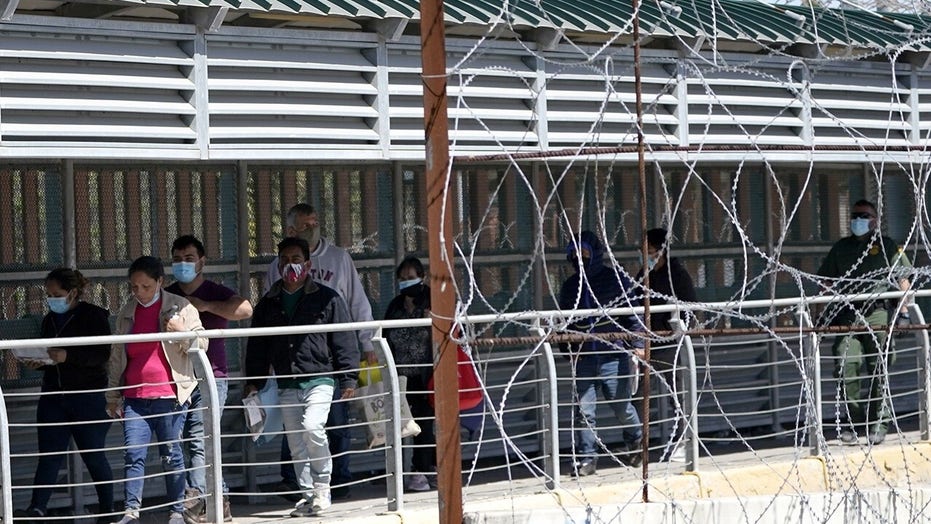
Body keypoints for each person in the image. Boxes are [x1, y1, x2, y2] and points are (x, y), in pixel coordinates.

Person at [264, 203, 375, 500]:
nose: (313, 227)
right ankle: (296, 483)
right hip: (292, 358)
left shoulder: (339, 258)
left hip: (331, 355)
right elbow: (267, 311)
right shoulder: (277, 266)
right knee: (295, 424)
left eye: (315, 222)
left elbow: (357, 302)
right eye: (305, 224)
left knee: (333, 420)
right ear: (291, 230)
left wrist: (368, 344)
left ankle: (337, 479)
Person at [244, 236, 361, 517]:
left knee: (312, 428)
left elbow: (344, 339)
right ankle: (307, 496)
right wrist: (254, 381)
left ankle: (323, 489)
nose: (289, 265)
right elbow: (257, 346)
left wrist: (348, 378)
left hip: (319, 378)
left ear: (307, 264)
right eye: (284, 260)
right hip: (286, 382)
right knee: (297, 442)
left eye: (296, 259)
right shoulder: (268, 303)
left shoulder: (327, 298)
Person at [106, 256, 206, 524]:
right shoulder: (127, 311)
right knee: (133, 455)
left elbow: (202, 344)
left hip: (170, 396)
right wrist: (113, 395)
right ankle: (131, 512)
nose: (139, 292)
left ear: (160, 282)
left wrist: (180, 331)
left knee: (172, 455)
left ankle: (176, 511)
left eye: (146, 286)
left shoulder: (181, 306)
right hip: (135, 399)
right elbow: (118, 356)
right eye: (134, 287)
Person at [13, 268, 114, 524]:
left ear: (73, 292)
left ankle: (108, 510)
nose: (52, 299)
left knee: (93, 455)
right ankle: (37, 509)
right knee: (49, 455)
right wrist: (39, 361)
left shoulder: (93, 316)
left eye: (57, 294)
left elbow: (101, 355)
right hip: (54, 396)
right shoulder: (49, 320)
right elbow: (52, 356)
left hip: (87, 397)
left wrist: (68, 356)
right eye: (48, 295)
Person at [165, 235, 253, 523]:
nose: (183, 264)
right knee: (186, 442)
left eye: (189, 258)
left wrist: (204, 305)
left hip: (212, 377)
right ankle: (220, 501)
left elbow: (245, 309)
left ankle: (196, 505)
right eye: (177, 258)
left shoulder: (215, 291)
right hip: (178, 379)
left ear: (202, 261)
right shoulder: (168, 293)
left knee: (201, 441)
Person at [817, 199, 912, 446]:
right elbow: (825, 282)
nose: (858, 220)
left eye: (864, 215)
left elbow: (904, 280)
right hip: (848, 314)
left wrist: (903, 312)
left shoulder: (886, 246)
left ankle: (878, 423)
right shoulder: (841, 248)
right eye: (855, 215)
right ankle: (853, 421)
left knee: (879, 367)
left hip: (877, 313)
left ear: (875, 220)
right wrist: (820, 313)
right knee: (844, 363)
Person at [558, 230, 644, 476]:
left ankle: (636, 440)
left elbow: (633, 314)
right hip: (584, 358)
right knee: (584, 412)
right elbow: (566, 323)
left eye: (584, 252)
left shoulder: (615, 279)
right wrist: (567, 350)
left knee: (622, 407)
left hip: (613, 355)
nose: (579, 257)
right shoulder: (570, 286)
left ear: (595, 253)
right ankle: (587, 459)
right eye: (574, 253)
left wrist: (638, 344)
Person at [636, 228, 697, 462]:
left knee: (676, 394)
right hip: (646, 342)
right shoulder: (644, 274)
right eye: (644, 253)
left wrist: (675, 326)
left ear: (661, 251)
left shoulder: (677, 276)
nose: (647, 257)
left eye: (650, 252)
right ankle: (640, 445)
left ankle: (684, 442)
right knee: (640, 394)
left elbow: (691, 306)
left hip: (670, 342)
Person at [383, 256, 436, 492]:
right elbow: (385, 335)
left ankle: (421, 471)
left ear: (422, 278)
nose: (406, 283)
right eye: (402, 279)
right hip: (401, 376)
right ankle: (410, 469)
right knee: (403, 424)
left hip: (426, 375)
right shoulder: (395, 305)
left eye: (411, 278)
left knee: (423, 423)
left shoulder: (432, 301)